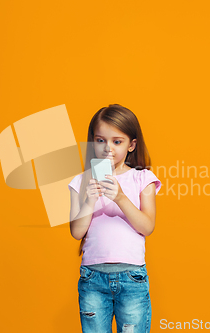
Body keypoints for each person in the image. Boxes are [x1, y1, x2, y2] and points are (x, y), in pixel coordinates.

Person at [68, 104, 162, 333]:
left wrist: (120, 197)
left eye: (117, 142)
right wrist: (89, 200)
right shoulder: (80, 181)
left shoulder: (142, 178)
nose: (107, 148)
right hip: (92, 278)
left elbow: (147, 226)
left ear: (131, 145)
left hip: (132, 277)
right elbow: (76, 232)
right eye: (101, 140)